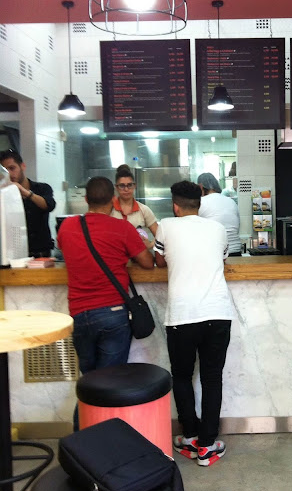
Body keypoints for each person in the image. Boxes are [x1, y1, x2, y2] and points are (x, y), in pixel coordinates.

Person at [57, 177, 154, 428]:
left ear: (86, 199)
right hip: (113, 314)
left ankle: (85, 440)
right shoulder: (122, 228)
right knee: (107, 384)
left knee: (91, 381)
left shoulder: (67, 226)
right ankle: (95, 440)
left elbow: (65, 251)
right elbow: (147, 263)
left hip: (79, 315)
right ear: (113, 200)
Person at [155, 180, 234, 467]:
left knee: (182, 376)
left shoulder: (165, 226)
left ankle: (189, 437)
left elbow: (159, 261)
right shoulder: (218, 229)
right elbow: (222, 259)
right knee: (212, 378)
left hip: (182, 315)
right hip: (217, 313)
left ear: (175, 206)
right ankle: (208, 446)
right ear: (199, 205)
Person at [0, 148, 55, 257]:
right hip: (14, 253)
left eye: (12, 168)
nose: (9, 174)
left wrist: (25, 192)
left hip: (41, 253)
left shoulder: (42, 188)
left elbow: (49, 205)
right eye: (5, 171)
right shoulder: (3, 194)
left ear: (23, 166)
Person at [111, 164, 158, 249]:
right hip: (115, 255)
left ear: (135, 186)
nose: (126, 189)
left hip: (139, 256)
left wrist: (150, 245)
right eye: (122, 186)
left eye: (129, 185)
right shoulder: (109, 209)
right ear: (116, 187)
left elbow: (160, 235)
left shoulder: (143, 210)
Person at [197, 172, 241, 256]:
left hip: (215, 253)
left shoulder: (201, 202)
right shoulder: (231, 202)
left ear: (201, 187)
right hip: (235, 251)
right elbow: (237, 227)